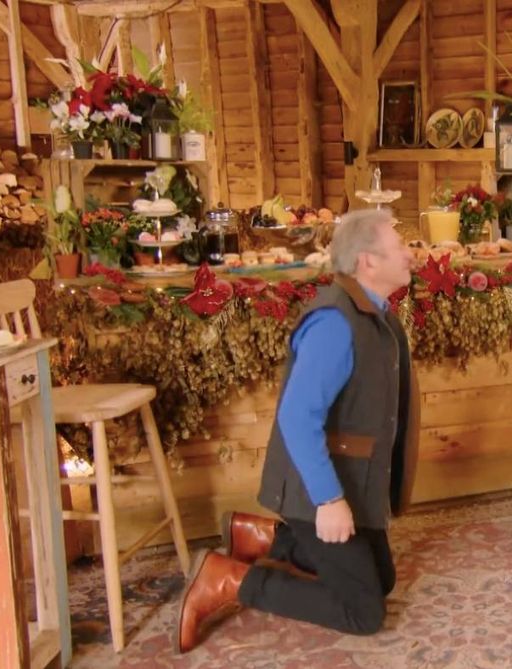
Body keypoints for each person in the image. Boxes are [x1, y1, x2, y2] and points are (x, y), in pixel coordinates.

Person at [175, 208, 418, 652]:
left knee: (380, 581)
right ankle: (230, 580)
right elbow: (296, 418)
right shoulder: (334, 324)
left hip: (352, 480)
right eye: (399, 246)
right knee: (364, 612)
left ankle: (265, 537)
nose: (409, 253)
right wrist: (329, 500)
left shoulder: (372, 311)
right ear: (368, 261)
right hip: (318, 489)